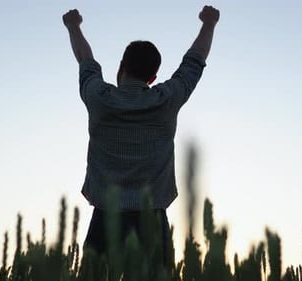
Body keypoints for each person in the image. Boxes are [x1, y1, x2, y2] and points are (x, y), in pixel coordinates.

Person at [63, 5, 219, 260]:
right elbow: (194, 62)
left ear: (121, 66)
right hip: (152, 222)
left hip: (104, 220)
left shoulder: (98, 98)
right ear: (153, 77)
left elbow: (86, 61)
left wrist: (73, 26)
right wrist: (209, 23)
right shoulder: (166, 99)